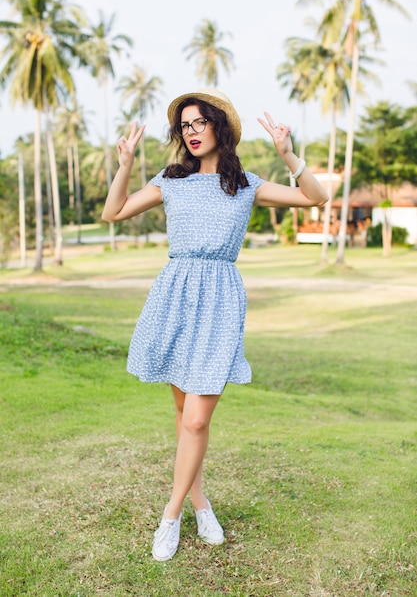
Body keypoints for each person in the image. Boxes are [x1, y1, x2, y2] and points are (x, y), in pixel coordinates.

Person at [102, 88, 328, 562]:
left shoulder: (246, 184)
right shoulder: (171, 179)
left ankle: (171, 514)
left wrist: (289, 155)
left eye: (199, 122)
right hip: (175, 296)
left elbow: (316, 198)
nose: (191, 132)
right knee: (186, 419)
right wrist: (124, 166)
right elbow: (113, 212)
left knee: (198, 419)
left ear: (219, 127)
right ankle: (201, 502)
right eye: (184, 126)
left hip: (220, 301)